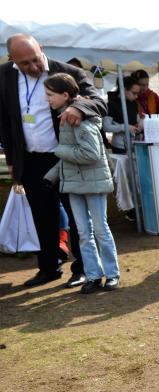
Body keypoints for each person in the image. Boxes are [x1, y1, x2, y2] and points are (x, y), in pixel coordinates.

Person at [0, 34, 105, 287]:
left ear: (42, 49)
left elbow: (99, 101)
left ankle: (82, 268)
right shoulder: (4, 76)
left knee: (77, 215)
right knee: (42, 217)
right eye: (25, 63)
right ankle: (49, 267)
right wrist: (12, 157)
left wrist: (78, 107)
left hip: (66, 159)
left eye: (36, 59)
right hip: (30, 160)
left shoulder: (67, 72)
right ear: (12, 60)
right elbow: (4, 119)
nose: (34, 67)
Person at [42, 73, 120, 293]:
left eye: (50, 95)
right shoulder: (67, 117)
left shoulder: (78, 119)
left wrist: (58, 151)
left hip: (92, 183)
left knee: (99, 230)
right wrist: (51, 176)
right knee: (85, 232)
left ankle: (112, 274)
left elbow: (91, 154)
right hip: (76, 184)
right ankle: (94, 275)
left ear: (65, 95)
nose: (47, 99)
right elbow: (72, 156)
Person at [104, 76, 142, 155]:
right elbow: (106, 127)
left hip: (133, 143)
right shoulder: (112, 104)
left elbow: (137, 119)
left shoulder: (134, 103)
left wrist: (140, 124)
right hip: (119, 146)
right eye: (134, 93)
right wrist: (124, 127)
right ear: (124, 89)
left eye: (137, 93)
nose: (136, 96)